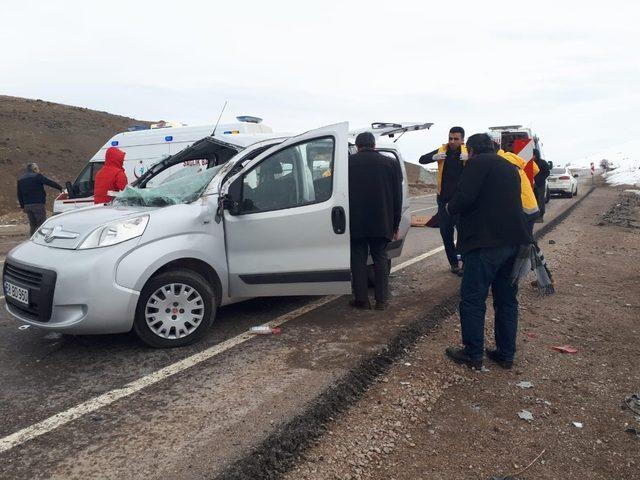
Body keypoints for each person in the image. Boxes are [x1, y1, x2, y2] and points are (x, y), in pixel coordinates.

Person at [444, 133, 532, 370]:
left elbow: (464, 198)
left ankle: (473, 353)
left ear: (471, 150)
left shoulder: (476, 164)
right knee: (506, 301)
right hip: (514, 242)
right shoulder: (509, 167)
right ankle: (506, 353)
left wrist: (449, 207)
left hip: (484, 243)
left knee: (473, 300)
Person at [349, 132, 402, 310]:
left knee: (358, 258)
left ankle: (361, 300)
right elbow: (397, 197)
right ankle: (382, 301)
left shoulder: (347, 164)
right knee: (380, 258)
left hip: (356, 221)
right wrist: (395, 224)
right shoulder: (391, 164)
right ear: (374, 145)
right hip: (382, 221)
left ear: (357, 146)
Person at [419, 126, 467, 275]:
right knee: (445, 232)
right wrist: (433, 158)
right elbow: (422, 159)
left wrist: (471, 158)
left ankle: (464, 262)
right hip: (443, 199)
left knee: (464, 233)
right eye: (450, 138)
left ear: (462, 140)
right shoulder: (442, 151)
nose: (452, 141)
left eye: (456, 139)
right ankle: (454, 263)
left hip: (461, 201)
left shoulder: (468, 152)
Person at [17, 163, 63, 235]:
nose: (39, 170)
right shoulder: (37, 176)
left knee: (32, 225)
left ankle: (32, 240)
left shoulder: (21, 180)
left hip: (27, 205)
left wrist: (22, 206)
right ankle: (41, 241)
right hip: (37, 204)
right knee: (41, 224)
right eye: (37, 168)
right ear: (34, 169)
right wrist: (60, 188)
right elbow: (49, 182)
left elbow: (19, 194)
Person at [532, 148, 550, 222]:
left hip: (540, 184)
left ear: (536, 155)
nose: (532, 156)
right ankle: (534, 216)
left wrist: (540, 179)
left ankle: (540, 216)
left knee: (540, 200)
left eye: (533, 155)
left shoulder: (542, 162)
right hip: (531, 184)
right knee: (533, 200)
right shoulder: (529, 162)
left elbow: (547, 172)